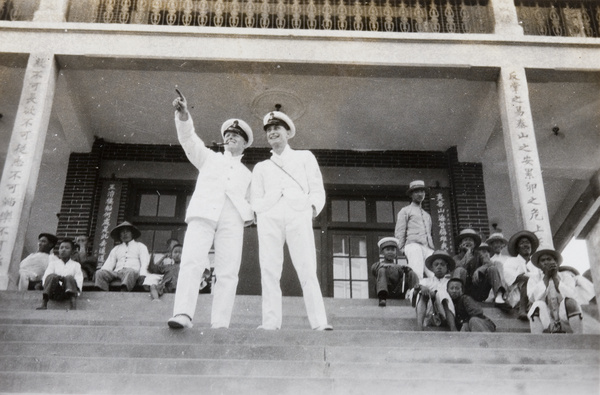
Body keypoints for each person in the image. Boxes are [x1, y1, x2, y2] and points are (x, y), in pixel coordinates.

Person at [167, 90, 254, 330]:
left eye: (236, 134)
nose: (231, 136)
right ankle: (183, 313)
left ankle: (220, 322)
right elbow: (189, 139)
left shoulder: (248, 174)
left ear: (245, 143)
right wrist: (184, 116)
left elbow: (256, 202)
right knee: (192, 261)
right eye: (228, 133)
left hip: (232, 219)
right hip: (204, 212)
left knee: (227, 271)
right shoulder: (208, 157)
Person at [251, 110, 332, 331]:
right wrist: (261, 211)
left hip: (298, 213)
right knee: (269, 269)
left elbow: (317, 188)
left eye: (277, 128)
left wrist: (312, 208)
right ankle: (270, 322)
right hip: (270, 216)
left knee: (307, 267)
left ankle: (319, 322)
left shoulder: (305, 157)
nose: (272, 132)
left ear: (288, 132)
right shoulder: (261, 167)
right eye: (268, 129)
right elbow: (255, 198)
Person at [527, 247, 594, 334]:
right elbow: (532, 298)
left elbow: (572, 296)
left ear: (555, 262)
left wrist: (555, 278)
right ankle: (537, 340)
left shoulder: (566, 276)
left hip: (565, 320)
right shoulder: (534, 279)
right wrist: (546, 277)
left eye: (549, 259)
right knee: (537, 305)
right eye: (543, 260)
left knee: (571, 302)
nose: (546, 262)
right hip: (546, 321)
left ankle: (578, 337)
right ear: (539, 265)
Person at [394, 180, 435, 279]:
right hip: (413, 245)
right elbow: (400, 230)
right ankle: (415, 293)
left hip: (428, 247)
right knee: (417, 273)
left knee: (434, 275)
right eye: (417, 192)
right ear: (411, 195)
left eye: (422, 191)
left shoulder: (427, 215)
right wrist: (402, 248)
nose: (420, 194)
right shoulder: (405, 211)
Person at [95, 221, 150, 292]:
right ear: (120, 235)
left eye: (127, 231)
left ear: (132, 234)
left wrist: (143, 274)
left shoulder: (140, 246)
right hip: (117, 272)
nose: (125, 234)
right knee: (99, 273)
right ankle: (103, 295)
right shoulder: (116, 248)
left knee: (130, 272)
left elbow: (145, 262)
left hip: (132, 272)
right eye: (122, 232)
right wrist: (101, 271)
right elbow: (109, 263)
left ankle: (123, 293)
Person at [37, 239, 84, 310]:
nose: (63, 250)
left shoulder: (76, 265)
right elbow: (46, 277)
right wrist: (58, 278)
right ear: (58, 250)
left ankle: (73, 304)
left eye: (67, 248)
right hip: (54, 291)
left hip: (68, 292)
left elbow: (79, 279)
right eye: (61, 248)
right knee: (52, 276)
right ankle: (44, 303)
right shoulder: (53, 264)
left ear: (72, 252)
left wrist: (76, 290)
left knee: (69, 277)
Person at [371, 237, 419, 307]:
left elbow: (404, 276)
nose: (390, 252)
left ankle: (416, 295)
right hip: (385, 290)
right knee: (382, 270)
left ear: (396, 252)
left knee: (410, 273)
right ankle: (382, 297)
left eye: (393, 250)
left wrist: (407, 270)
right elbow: (374, 269)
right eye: (388, 250)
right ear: (382, 252)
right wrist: (386, 267)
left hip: (397, 291)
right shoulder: (378, 265)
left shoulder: (399, 267)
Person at [415, 250, 456, 331]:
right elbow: (415, 291)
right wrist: (421, 288)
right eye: (436, 264)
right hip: (429, 314)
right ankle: (419, 327)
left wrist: (436, 295)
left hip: (444, 314)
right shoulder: (425, 281)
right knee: (422, 294)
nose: (439, 267)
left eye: (442, 264)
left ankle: (453, 327)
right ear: (432, 268)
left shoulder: (450, 282)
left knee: (442, 294)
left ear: (447, 268)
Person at [503, 230, 539, 320]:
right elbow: (512, 277)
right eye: (522, 243)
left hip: (536, 291)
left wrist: (528, 275)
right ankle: (522, 310)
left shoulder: (536, 264)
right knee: (527, 281)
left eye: (527, 243)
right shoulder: (511, 261)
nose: (526, 245)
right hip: (517, 293)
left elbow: (541, 277)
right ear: (517, 248)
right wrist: (529, 277)